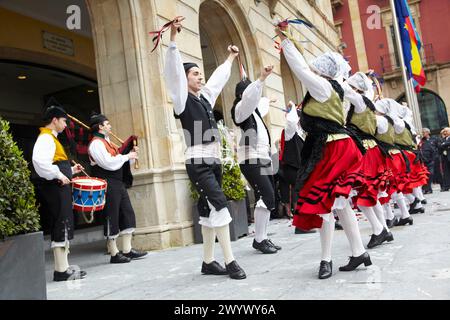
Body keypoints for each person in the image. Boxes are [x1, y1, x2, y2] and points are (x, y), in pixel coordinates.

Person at [276, 27, 371, 280]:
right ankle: (358, 252)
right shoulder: (335, 87)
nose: (313, 70)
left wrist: (286, 41)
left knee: (326, 203)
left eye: (316, 68)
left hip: (332, 148)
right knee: (337, 203)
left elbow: (300, 69)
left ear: (323, 71)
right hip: (335, 146)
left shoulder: (323, 87)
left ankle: (327, 259)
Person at [164, 17, 246, 280]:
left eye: (200, 73)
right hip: (198, 162)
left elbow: (218, 81)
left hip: (214, 161)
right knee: (220, 205)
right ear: (185, 79)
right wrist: (174, 40)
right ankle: (230, 261)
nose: (200, 77)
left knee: (209, 210)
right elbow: (173, 74)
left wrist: (230, 60)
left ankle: (208, 262)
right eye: (195, 73)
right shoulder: (181, 100)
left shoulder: (205, 98)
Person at [231, 66, 283, 254]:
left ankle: (263, 237)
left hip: (262, 157)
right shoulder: (240, 109)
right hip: (250, 158)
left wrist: (268, 99)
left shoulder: (255, 111)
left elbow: (260, 102)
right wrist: (260, 78)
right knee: (267, 195)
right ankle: (259, 239)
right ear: (242, 94)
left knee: (269, 198)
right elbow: (250, 99)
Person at [32, 104, 87, 281]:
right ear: (54, 120)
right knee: (61, 223)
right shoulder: (46, 138)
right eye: (64, 121)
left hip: (58, 186)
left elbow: (54, 163)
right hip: (55, 187)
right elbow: (40, 163)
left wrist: (71, 171)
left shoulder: (51, 138)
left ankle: (63, 268)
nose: (65, 125)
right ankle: (61, 271)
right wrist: (58, 175)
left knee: (63, 223)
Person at [88, 114, 147, 264]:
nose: (110, 126)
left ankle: (127, 250)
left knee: (127, 213)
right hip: (107, 183)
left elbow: (119, 161)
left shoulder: (108, 143)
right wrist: (126, 157)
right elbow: (108, 163)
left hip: (117, 183)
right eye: (107, 124)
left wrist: (130, 155)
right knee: (111, 215)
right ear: (100, 127)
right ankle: (114, 253)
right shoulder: (96, 144)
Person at [344, 72, 393, 248]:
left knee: (362, 193)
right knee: (371, 194)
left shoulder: (359, 101)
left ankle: (379, 229)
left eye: (351, 86)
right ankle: (384, 229)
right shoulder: (366, 102)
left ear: (357, 89)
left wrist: (335, 77)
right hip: (369, 149)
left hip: (364, 149)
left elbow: (346, 91)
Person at [419, 128, 435, 194]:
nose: (423, 133)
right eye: (422, 132)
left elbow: (434, 151)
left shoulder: (432, 139)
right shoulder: (422, 141)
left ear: (428, 132)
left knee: (430, 174)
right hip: (423, 161)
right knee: (425, 175)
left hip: (430, 161)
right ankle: (427, 189)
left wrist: (433, 159)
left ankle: (428, 188)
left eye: (424, 132)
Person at [440, 127, 450, 191]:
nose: (445, 133)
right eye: (444, 132)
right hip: (445, 158)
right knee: (446, 173)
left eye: (446, 131)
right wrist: (444, 144)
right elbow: (439, 146)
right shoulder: (443, 139)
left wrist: (444, 144)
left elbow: (446, 144)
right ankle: (446, 186)